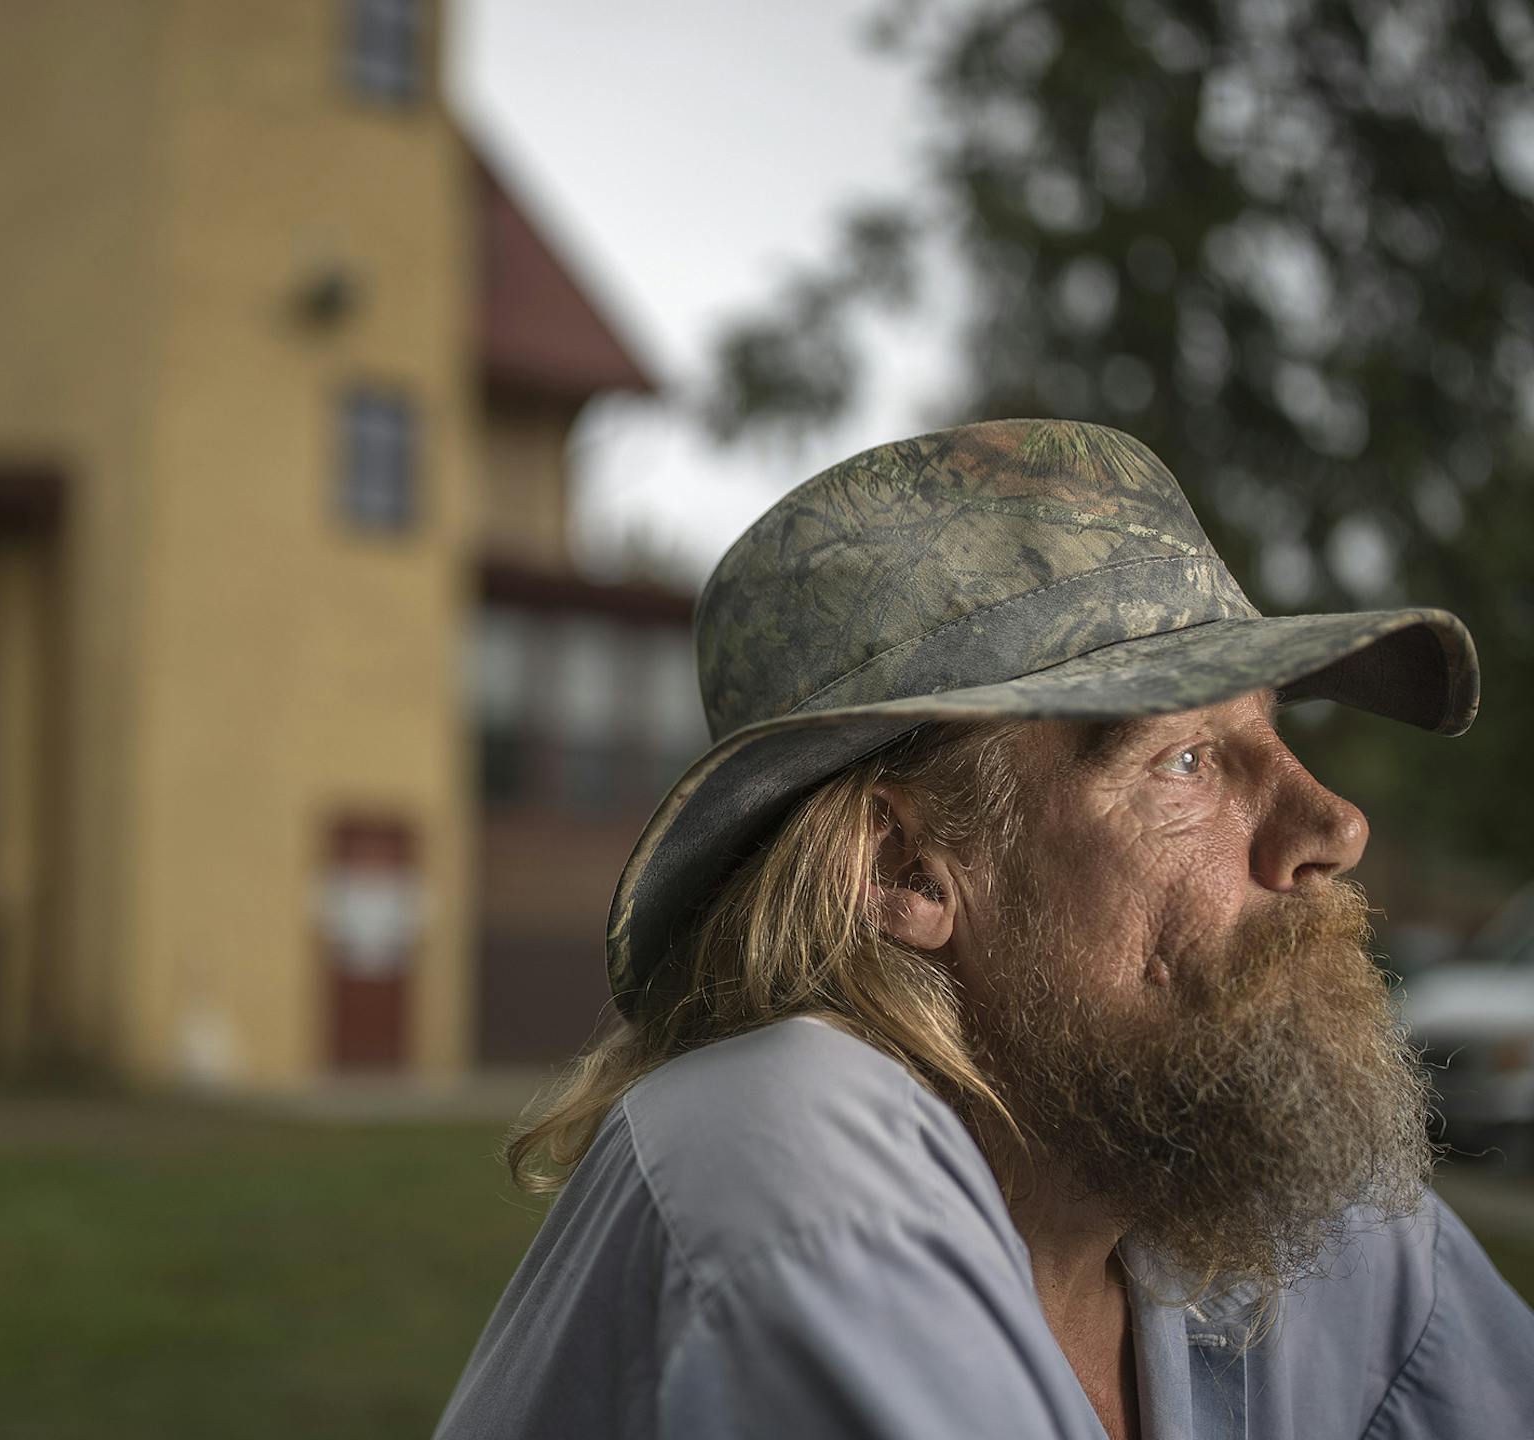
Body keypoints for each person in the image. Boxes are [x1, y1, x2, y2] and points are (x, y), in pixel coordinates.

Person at [432, 419, 1534, 1439]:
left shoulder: (1274, 1192)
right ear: (905, 871)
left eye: (1275, 736)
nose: (1335, 825)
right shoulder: (793, 1163)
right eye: (1187, 761)